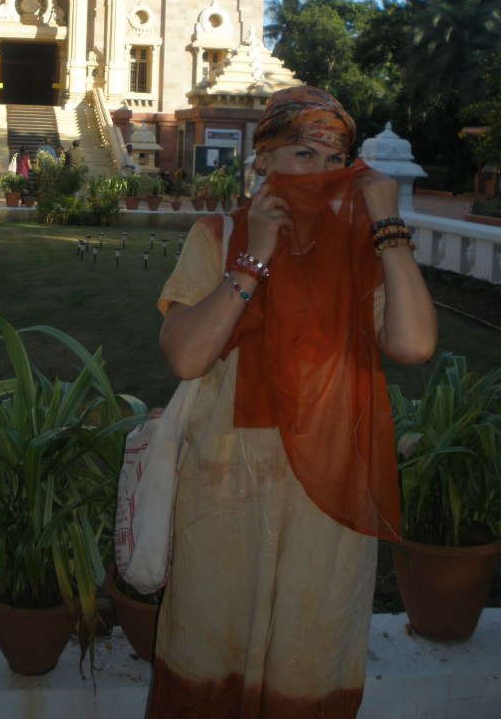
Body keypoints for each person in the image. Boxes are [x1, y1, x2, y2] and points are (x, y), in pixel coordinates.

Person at [144, 85, 437, 719]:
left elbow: (413, 345)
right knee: (209, 656)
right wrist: (253, 259)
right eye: (304, 154)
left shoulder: (361, 251)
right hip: (224, 488)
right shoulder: (219, 234)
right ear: (264, 159)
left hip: (328, 500)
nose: (321, 173)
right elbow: (187, 357)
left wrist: (388, 229)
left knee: (311, 660)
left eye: (336, 160)